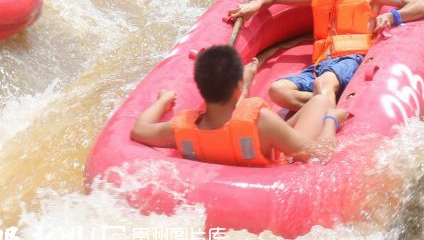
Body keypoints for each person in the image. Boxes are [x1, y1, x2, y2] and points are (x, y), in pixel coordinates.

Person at [227, 0, 424, 112]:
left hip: (351, 59)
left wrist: (392, 17)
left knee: (323, 83)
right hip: (320, 64)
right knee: (277, 91)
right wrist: (256, 4)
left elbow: (421, 6)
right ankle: (330, 105)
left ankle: (324, 105)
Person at [130, 45, 348, 165]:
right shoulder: (263, 122)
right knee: (320, 101)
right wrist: (331, 121)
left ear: (200, 86)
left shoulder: (179, 130)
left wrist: (162, 101)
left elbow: (139, 130)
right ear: (237, 85)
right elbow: (320, 154)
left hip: (243, 147)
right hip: (274, 170)